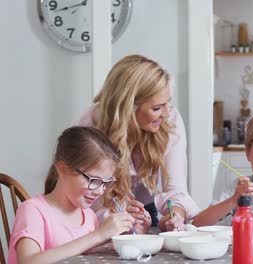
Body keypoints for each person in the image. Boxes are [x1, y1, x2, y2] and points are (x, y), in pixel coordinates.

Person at [72, 54, 200, 232]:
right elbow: (87, 199)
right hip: (95, 216)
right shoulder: (89, 127)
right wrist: (122, 220)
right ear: (128, 108)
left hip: (143, 212)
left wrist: (175, 215)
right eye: (156, 108)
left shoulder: (169, 119)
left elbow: (175, 187)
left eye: (168, 102)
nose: (166, 113)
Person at [8, 127, 140, 264]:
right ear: (63, 169)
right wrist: (99, 235)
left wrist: (123, 236)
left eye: (105, 183)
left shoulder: (89, 216)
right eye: (93, 180)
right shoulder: (33, 210)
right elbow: (28, 261)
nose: (100, 191)